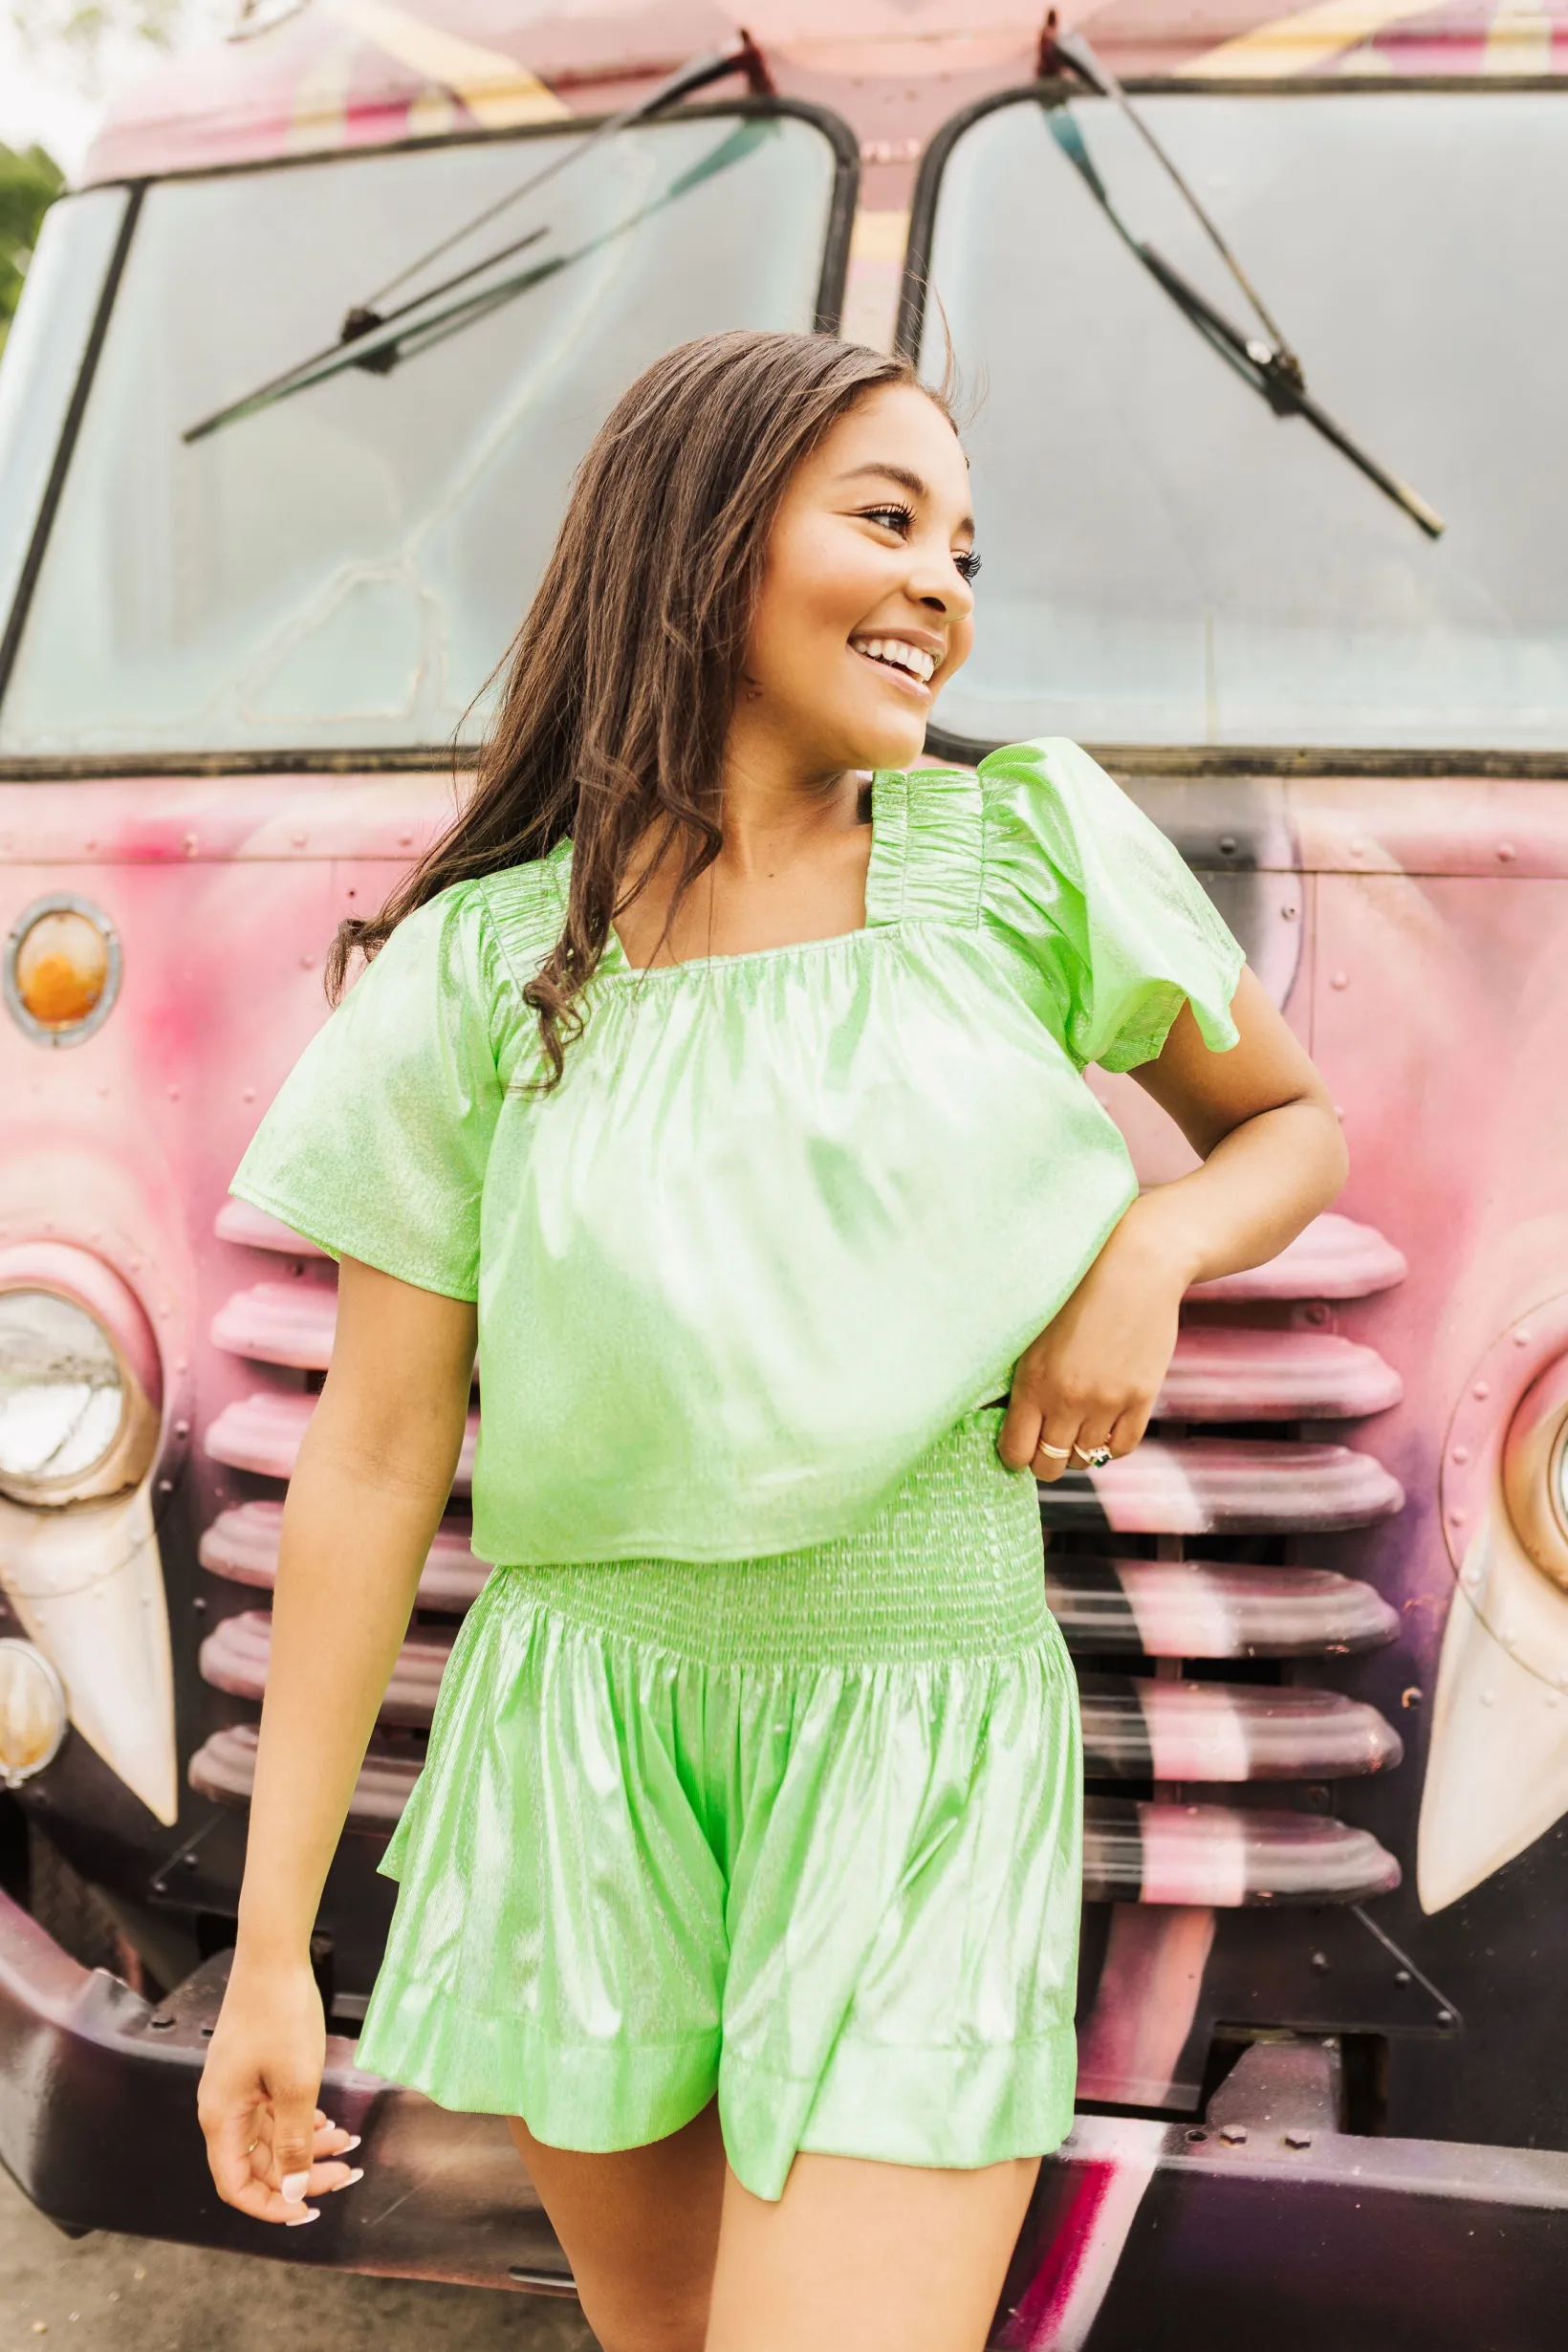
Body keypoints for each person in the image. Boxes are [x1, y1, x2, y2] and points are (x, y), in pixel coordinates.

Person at [196, 329, 1347, 2352]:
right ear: (697, 538)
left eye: (965, 551)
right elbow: (376, 1462)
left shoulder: (1026, 857)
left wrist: (1152, 1248)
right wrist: (272, 1949)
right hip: (588, 1748)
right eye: (886, 521)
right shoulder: (483, 963)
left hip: (917, 1739)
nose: (943, 590)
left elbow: (1289, 1126)